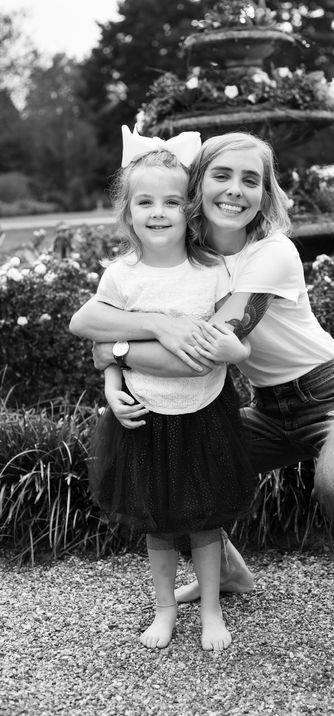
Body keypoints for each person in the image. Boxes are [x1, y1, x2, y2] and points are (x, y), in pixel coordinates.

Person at [70, 131, 334, 668]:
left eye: (250, 180)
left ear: (265, 193)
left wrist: (114, 350)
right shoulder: (194, 252)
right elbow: (96, 316)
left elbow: (201, 354)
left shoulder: (272, 252)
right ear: (197, 186)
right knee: (177, 463)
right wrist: (147, 328)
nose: (235, 190)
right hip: (270, 409)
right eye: (221, 175)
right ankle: (228, 572)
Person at [80, 127, 254, 652]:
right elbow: (100, 338)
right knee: (157, 522)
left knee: (205, 521)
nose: (159, 213)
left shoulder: (211, 272)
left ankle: (211, 609)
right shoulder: (121, 277)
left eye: (172, 202)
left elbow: (212, 350)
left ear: (189, 208)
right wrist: (111, 385)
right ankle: (164, 609)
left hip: (204, 412)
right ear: (127, 212)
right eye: (146, 202)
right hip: (144, 414)